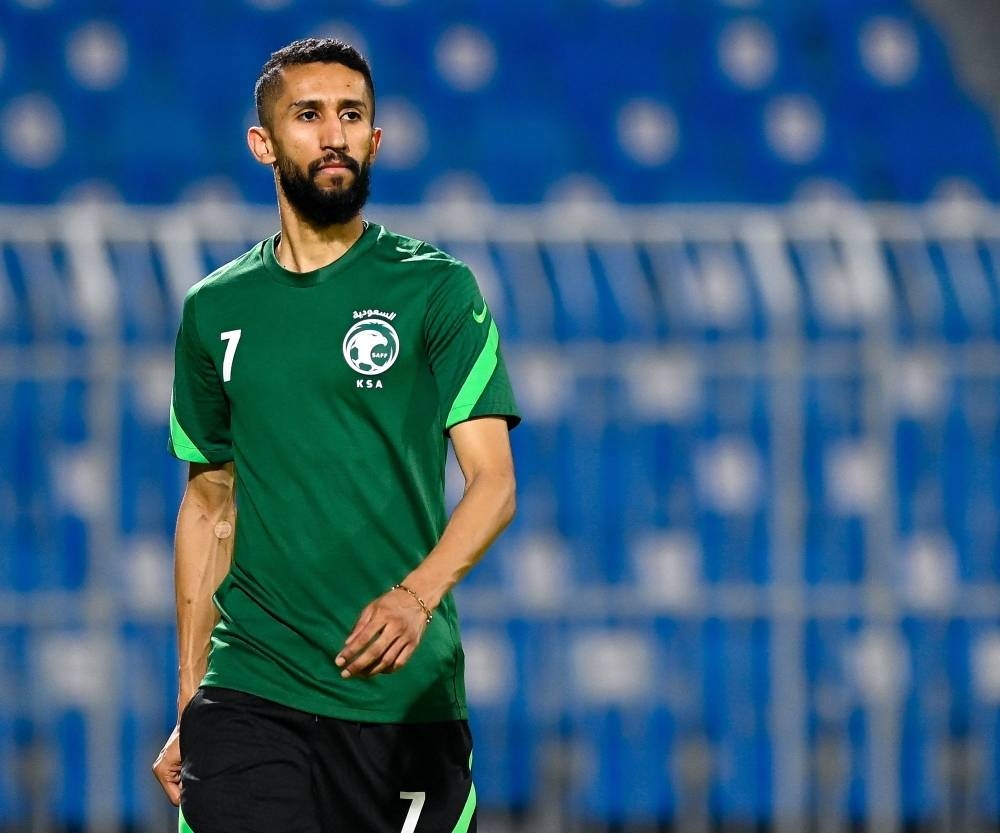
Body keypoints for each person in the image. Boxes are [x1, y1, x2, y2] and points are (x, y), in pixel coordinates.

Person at [151, 37, 519, 833]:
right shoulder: (214, 310)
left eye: (351, 116)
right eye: (308, 115)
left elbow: (494, 483)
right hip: (251, 691)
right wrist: (191, 697)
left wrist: (417, 596)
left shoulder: (435, 289)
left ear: (375, 139)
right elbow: (210, 504)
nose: (333, 135)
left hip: (401, 697)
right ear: (263, 143)